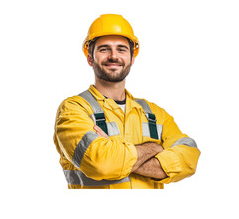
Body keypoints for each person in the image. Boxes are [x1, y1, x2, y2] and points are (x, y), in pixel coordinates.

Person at [53, 14, 200, 189]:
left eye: (121, 49)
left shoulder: (154, 113)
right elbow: (101, 164)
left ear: (132, 58)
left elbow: (189, 158)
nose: (113, 56)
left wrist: (118, 157)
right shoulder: (73, 109)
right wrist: (154, 148)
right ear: (90, 58)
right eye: (104, 49)